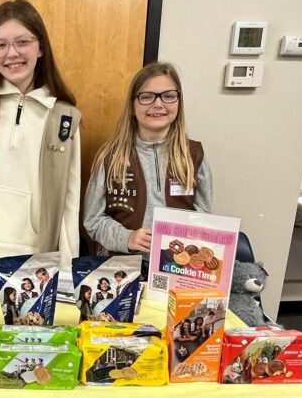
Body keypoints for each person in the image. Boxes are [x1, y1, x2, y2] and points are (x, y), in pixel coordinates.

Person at [0, 0, 81, 282]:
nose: (12, 53)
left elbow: (69, 200)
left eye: (22, 42)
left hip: (33, 256)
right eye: (1, 44)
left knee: (22, 327)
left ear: (40, 47)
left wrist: (67, 270)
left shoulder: (63, 117)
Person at [83, 62, 213, 275]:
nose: (158, 104)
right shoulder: (110, 157)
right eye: (147, 96)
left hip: (178, 268)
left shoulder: (194, 155)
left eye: (168, 95)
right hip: (122, 268)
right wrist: (127, 238)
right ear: (133, 105)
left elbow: (204, 216)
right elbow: (93, 220)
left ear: (179, 102)